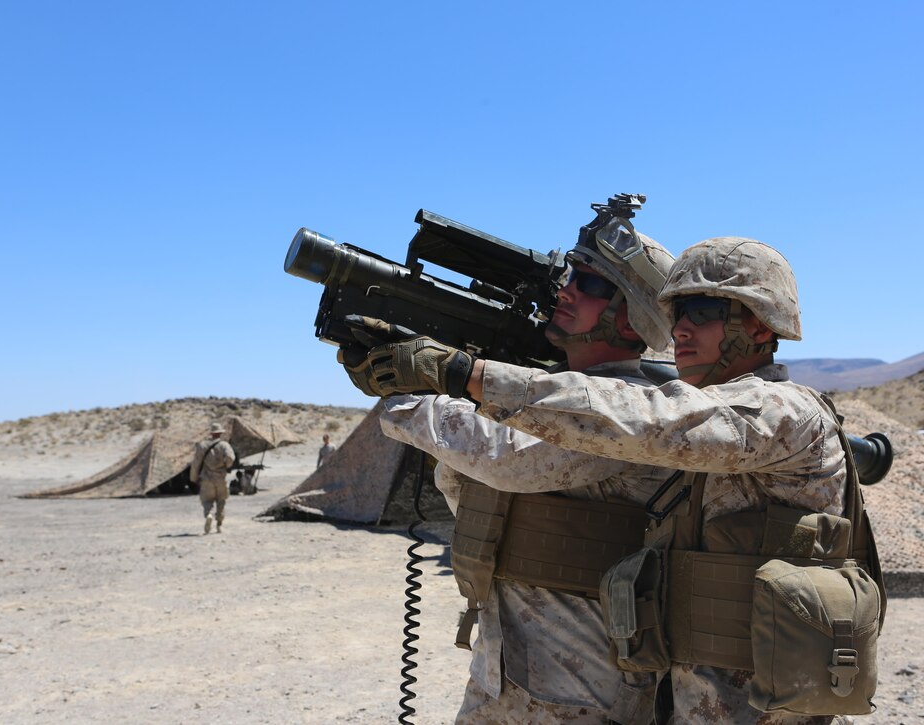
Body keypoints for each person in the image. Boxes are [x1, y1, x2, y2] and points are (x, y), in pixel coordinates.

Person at [352, 236, 877, 724]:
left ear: (762, 327)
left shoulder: (782, 412)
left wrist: (466, 375)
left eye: (704, 311)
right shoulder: (706, 418)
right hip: (692, 697)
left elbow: (647, 420)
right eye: (676, 315)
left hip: (764, 706)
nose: (681, 330)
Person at [342, 227, 678, 724]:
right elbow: (467, 486)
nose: (566, 291)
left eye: (590, 284)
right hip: (500, 674)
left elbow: (507, 457)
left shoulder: (631, 409)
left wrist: (407, 390)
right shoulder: (542, 399)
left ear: (633, 317)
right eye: (570, 276)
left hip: (585, 689)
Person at [190, 422, 236, 535]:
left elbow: (196, 464)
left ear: (211, 434)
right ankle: (219, 525)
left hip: (206, 479)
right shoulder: (224, 445)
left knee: (206, 500)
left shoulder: (202, 446)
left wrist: (193, 478)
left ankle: (208, 515)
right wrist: (226, 466)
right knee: (221, 501)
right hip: (221, 478)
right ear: (220, 433)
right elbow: (230, 458)